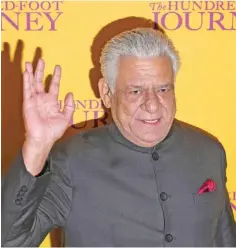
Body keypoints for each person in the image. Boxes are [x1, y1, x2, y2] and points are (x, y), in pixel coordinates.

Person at [2, 28, 236, 247]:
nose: (153, 105)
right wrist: (36, 147)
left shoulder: (208, 151)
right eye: (135, 91)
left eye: (163, 89)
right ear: (106, 93)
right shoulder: (71, 161)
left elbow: (225, 239)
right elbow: (10, 240)